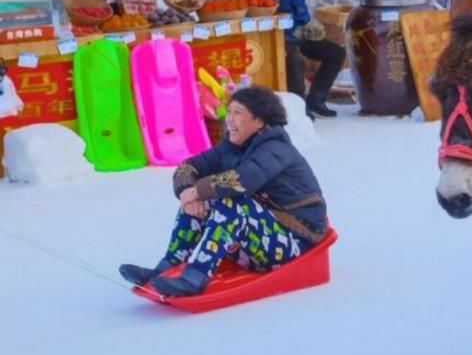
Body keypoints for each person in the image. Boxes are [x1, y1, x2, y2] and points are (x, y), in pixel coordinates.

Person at [119, 87, 328, 297]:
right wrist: (186, 193)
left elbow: (242, 180)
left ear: (260, 121)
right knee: (205, 201)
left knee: (232, 203)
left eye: (238, 113)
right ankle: (166, 269)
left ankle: (195, 277)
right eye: (229, 112)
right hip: (260, 235)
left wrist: (198, 191)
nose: (229, 119)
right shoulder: (232, 146)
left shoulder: (276, 149)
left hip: (295, 241)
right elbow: (188, 167)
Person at [251, 0, 345, 118]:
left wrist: (308, 24)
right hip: (280, 35)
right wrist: (276, 4)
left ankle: (316, 99)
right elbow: (262, 9)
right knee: (296, 60)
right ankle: (300, 109)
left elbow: (299, 5)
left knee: (336, 53)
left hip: (299, 32)